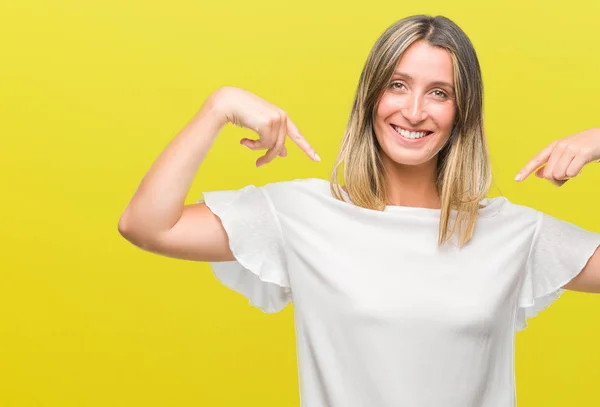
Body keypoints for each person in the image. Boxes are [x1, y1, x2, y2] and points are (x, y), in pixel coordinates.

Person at [117, 14, 600, 407]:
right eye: (397, 85)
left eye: (439, 93)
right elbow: (146, 226)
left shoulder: (511, 232)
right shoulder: (300, 214)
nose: (414, 111)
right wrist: (217, 108)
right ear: (371, 97)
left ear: (462, 113)